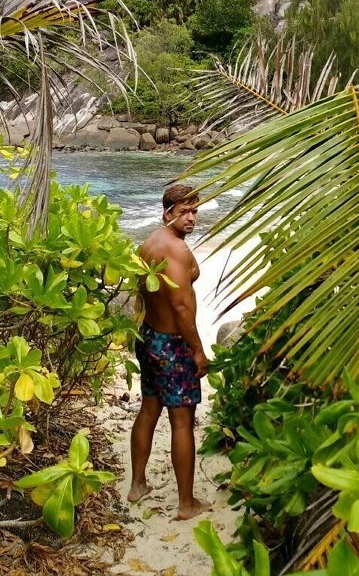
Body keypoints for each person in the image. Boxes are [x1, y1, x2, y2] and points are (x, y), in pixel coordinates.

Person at [127, 183, 212, 521]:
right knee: (182, 421)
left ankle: (137, 485)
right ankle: (186, 504)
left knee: (149, 407)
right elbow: (179, 305)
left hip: (148, 337)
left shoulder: (149, 243)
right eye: (184, 212)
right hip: (172, 344)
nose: (191, 218)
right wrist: (198, 350)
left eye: (195, 211)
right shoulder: (174, 249)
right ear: (167, 212)